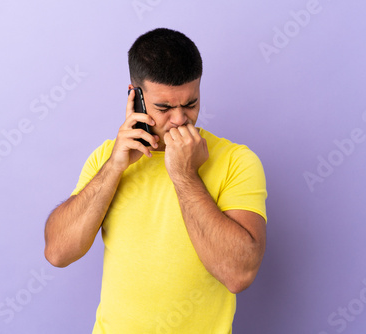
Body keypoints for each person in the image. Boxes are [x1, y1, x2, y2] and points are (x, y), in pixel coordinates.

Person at [44, 27, 267, 333]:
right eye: (164, 107)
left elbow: (238, 274)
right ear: (134, 96)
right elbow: (58, 252)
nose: (179, 119)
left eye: (190, 104)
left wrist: (186, 177)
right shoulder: (107, 159)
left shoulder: (237, 161)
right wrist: (114, 167)